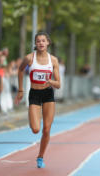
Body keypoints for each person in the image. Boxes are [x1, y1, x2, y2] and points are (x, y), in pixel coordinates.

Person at [15, 31, 60, 168]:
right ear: (35, 43)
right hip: (34, 93)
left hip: (48, 94)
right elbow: (20, 70)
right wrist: (20, 89)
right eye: (38, 41)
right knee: (35, 129)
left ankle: (40, 156)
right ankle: (33, 117)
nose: (41, 43)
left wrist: (50, 82)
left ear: (48, 43)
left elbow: (58, 84)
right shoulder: (29, 58)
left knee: (46, 129)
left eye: (43, 41)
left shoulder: (53, 60)